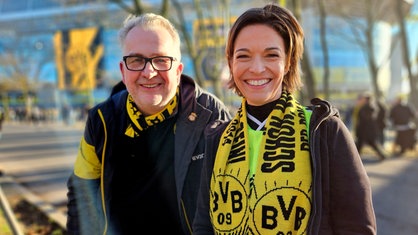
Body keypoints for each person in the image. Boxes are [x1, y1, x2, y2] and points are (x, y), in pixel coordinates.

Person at [193, 4, 377, 235]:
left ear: (288, 62)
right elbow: (203, 224)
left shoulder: (325, 131)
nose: (257, 68)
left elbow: (356, 228)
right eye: (243, 56)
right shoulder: (217, 137)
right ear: (231, 63)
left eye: (271, 55)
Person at [66, 13, 231, 235]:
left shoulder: (211, 116)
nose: (149, 72)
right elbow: (81, 195)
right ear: (123, 72)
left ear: (178, 70)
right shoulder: (101, 121)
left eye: (161, 60)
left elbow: (232, 199)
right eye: (136, 60)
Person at [355, 93, 387, 160]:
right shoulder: (370, 106)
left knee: (367, 144)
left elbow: (366, 119)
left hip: (366, 130)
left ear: (366, 99)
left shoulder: (368, 107)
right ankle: (354, 157)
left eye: (363, 99)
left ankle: (354, 157)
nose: (361, 100)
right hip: (367, 130)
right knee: (360, 144)